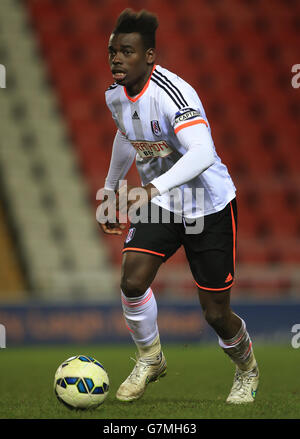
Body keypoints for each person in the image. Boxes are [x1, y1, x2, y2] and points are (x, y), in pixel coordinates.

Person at [99, 8, 259, 404]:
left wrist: (150, 188)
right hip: (163, 204)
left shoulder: (174, 94)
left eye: (127, 51)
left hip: (208, 205)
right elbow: (126, 137)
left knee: (216, 314)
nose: (117, 59)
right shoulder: (115, 96)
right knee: (132, 281)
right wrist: (109, 190)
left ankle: (246, 368)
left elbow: (203, 152)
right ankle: (150, 358)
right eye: (112, 51)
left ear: (149, 56)